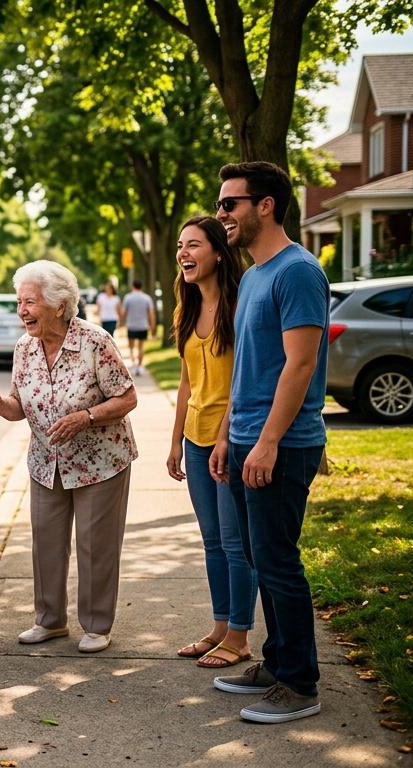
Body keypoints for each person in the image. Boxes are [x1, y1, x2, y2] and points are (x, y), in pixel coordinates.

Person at [209, 161, 330, 725]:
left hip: (280, 446)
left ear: (265, 206)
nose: (221, 215)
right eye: (218, 204)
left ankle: (300, 685)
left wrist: (266, 442)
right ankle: (278, 662)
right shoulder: (254, 274)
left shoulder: (298, 272)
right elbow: (250, 368)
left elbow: (300, 364)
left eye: (230, 204)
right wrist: (229, 436)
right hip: (246, 439)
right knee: (261, 557)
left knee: (279, 562)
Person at [0, 260, 138, 653]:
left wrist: (85, 417)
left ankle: (97, 625)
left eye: (30, 302)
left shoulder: (95, 341)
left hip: (101, 460)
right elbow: (20, 405)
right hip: (45, 461)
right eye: (20, 302)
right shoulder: (24, 347)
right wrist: (0, 403)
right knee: (46, 541)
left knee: (95, 544)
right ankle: (49, 621)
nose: (23, 311)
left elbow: (127, 397)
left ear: (60, 305)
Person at [164, 216, 256, 670]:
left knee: (236, 543)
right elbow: (186, 382)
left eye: (194, 244)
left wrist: (223, 439)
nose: (183, 252)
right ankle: (220, 626)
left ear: (219, 252)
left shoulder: (238, 308)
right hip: (196, 440)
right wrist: (176, 440)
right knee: (212, 540)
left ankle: (239, 636)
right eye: (181, 245)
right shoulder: (185, 310)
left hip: (232, 439)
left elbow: (242, 382)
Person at [120, 279, 156, 374]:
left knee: (131, 347)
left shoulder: (128, 298)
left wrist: (121, 323)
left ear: (133, 286)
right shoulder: (147, 298)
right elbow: (151, 314)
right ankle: (140, 367)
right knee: (141, 347)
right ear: (141, 287)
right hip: (143, 326)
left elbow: (123, 313)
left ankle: (133, 364)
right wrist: (153, 328)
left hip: (131, 326)